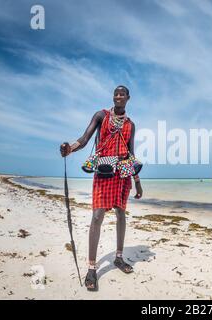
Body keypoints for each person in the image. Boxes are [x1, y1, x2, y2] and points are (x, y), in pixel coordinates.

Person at [60, 85, 143, 291]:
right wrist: (69, 148)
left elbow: (131, 154)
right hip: (104, 170)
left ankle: (119, 257)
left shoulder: (131, 125)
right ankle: (91, 268)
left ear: (128, 98)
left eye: (122, 94)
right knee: (97, 216)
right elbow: (84, 139)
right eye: (116, 93)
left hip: (123, 173)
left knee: (121, 214)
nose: (118, 96)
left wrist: (138, 182)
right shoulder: (101, 115)